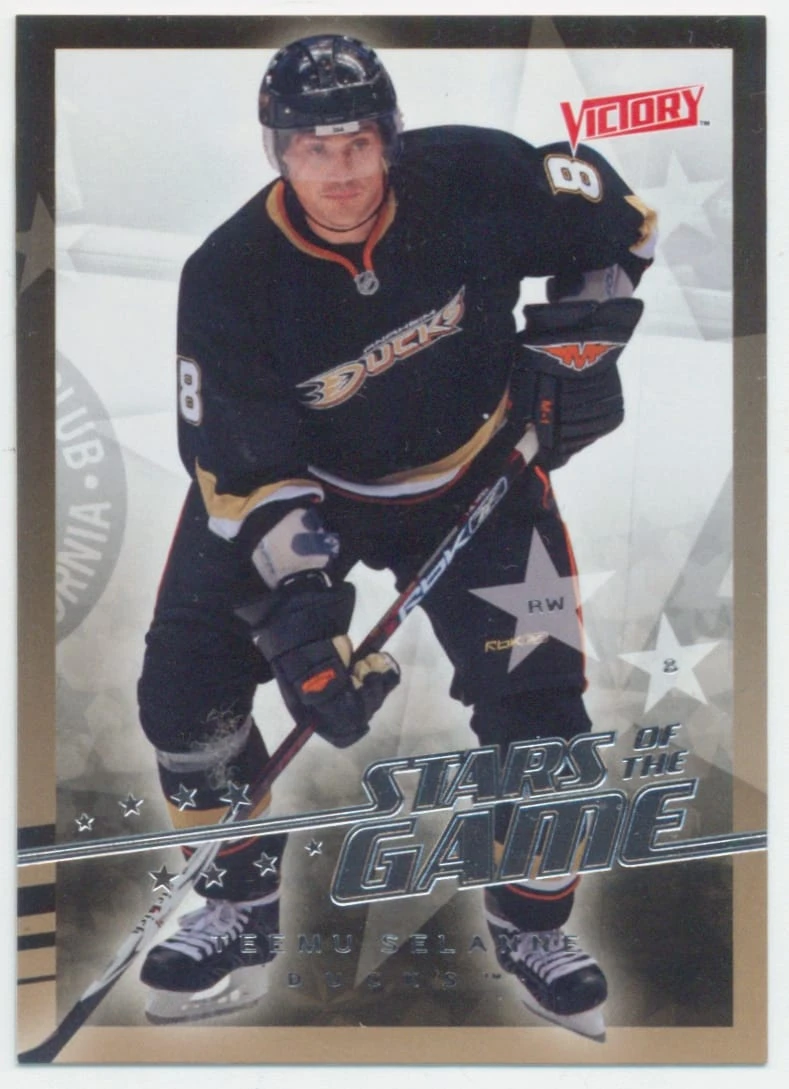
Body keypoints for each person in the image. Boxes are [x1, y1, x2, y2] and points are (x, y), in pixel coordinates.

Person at [136, 34, 655, 1036]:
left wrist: (583, 344)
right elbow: (239, 468)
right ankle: (236, 903)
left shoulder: (478, 176)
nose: (340, 171)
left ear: (391, 137)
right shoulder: (231, 275)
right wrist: (301, 619)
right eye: (312, 147)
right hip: (300, 494)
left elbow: (621, 221)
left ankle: (531, 925)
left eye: (358, 142)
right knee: (184, 696)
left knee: (545, 723)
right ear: (277, 151)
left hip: (480, 478)